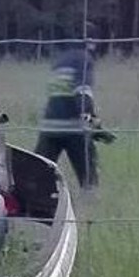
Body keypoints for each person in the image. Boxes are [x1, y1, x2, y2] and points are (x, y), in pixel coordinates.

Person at [35, 22, 104, 191]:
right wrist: (93, 122)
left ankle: (32, 209)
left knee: (37, 172)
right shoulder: (84, 59)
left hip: (49, 127)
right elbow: (81, 94)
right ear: (92, 42)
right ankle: (89, 209)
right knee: (88, 177)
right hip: (74, 128)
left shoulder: (59, 60)